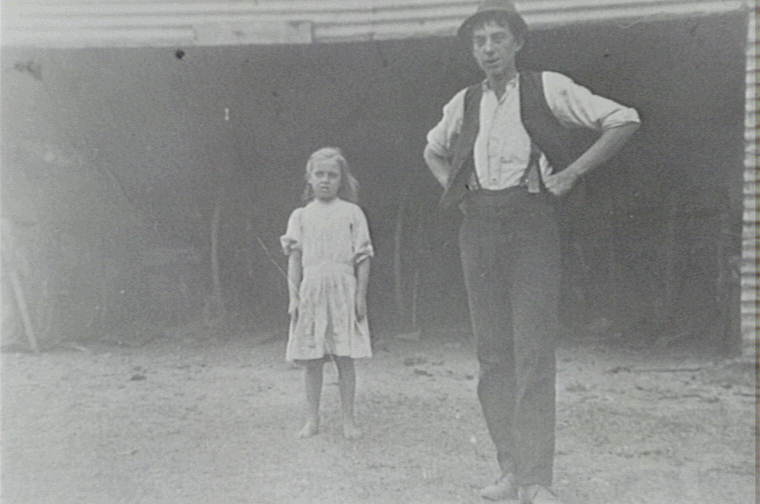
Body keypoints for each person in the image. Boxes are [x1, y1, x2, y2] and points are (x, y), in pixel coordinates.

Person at [423, 1, 640, 502]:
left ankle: (537, 480)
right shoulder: (465, 102)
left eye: (498, 38)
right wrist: (456, 190)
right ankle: (509, 472)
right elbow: (432, 149)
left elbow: (623, 120)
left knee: (534, 354)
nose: (489, 49)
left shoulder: (548, 87)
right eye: (480, 41)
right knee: (493, 357)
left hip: (532, 227)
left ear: (518, 42)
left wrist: (571, 174)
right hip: (477, 229)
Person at [280, 147, 374, 440]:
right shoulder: (301, 216)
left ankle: (348, 419)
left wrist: (360, 297)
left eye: (332, 175)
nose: (325, 180)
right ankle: (313, 419)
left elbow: (364, 257)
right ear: (309, 178)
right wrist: (294, 297)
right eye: (319, 174)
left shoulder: (352, 213)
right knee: (312, 360)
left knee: (344, 357)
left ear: (341, 180)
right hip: (312, 290)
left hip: (343, 290)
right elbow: (294, 260)